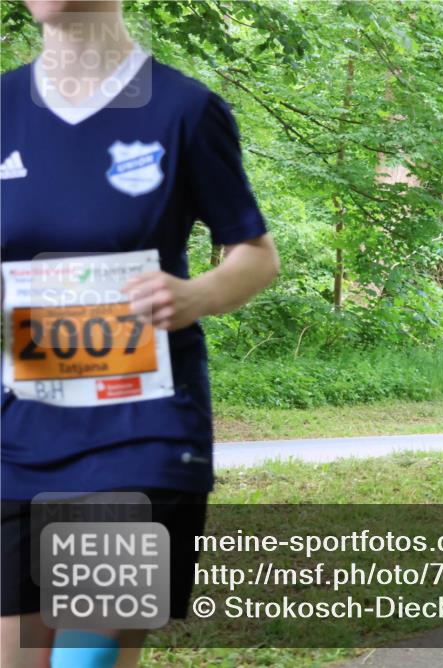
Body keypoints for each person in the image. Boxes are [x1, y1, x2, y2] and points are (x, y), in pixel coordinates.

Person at [1, 2, 279, 665]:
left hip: (140, 435)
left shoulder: (183, 109)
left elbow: (256, 255)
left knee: (85, 660)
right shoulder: (4, 105)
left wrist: (195, 295)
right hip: (18, 436)